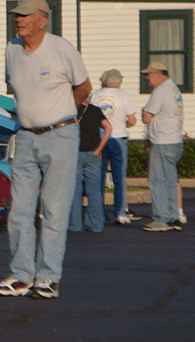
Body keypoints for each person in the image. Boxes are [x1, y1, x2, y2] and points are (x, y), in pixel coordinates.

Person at [0, 0, 89, 300]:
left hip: (60, 135)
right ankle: (22, 276)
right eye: (17, 15)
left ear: (43, 19)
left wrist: (59, 114)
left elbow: (84, 88)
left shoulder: (61, 48)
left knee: (54, 210)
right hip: (24, 136)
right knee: (19, 210)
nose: (18, 20)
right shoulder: (11, 49)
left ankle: (48, 278)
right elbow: (17, 88)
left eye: (25, 15)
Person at [140, 61, 184, 232]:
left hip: (162, 141)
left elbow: (146, 116)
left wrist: (145, 110)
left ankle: (162, 219)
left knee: (157, 180)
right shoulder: (174, 89)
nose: (147, 79)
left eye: (148, 75)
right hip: (175, 140)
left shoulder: (160, 91)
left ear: (158, 74)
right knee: (171, 180)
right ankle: (174, 217)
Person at [90, 69, 137, 224]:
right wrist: (123, 125)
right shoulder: (125, 96)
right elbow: (132, 120)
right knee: (119, 178)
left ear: (105, 81)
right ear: (120, 81)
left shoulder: (95, 96)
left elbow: (89, 119)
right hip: (119, 138)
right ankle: (120, 212)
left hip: (100, 139)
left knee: (99, 177)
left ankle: (100, 212)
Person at [69, 95, 111, 232]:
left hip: (75, 153)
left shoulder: (70, 110)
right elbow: (108, 128)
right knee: (94, 192)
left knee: (75, 191)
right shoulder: (95, 110)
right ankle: (96, 224)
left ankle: (74, 224)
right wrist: (99, 149)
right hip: (93, 153)